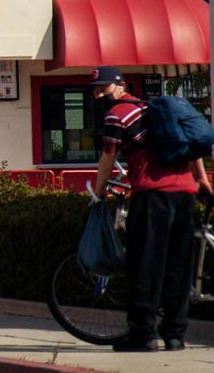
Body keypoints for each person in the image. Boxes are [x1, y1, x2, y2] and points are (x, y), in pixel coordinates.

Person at [91, 66, 212, 352]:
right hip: (185, 194)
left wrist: (98, 195)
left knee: (145, 266)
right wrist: (202, 182)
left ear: (120, 86)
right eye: (95, 89)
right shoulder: (155, 110)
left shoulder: (116, 115)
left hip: (152, 195)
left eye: (104, 88)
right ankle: (174, 335)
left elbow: (107, 160)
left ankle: (143, 335)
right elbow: (192, 149)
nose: (98, 94)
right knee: (178, 267)